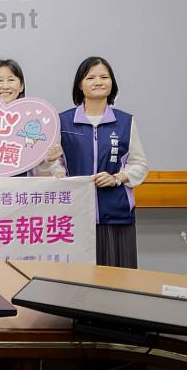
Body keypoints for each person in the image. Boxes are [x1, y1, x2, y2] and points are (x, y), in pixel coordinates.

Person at [60, 56, 148, 268]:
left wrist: (117, 178)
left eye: (104, 77)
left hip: (116, 216)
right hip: (75, 216)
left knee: (119, 279)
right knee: (79, 280)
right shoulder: (63, 122)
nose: (98, 82)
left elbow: (139, 165)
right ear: (80, 84)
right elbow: (55, 165)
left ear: (112, 83)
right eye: (91, 77)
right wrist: (60, 175)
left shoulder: (125, 121)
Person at [0, 58, 64, 177]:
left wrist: (50, 160)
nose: (5, 86)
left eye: (11, 80)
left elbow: (42, 169)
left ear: (21, 86)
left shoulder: (33, 123)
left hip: (22, 187)